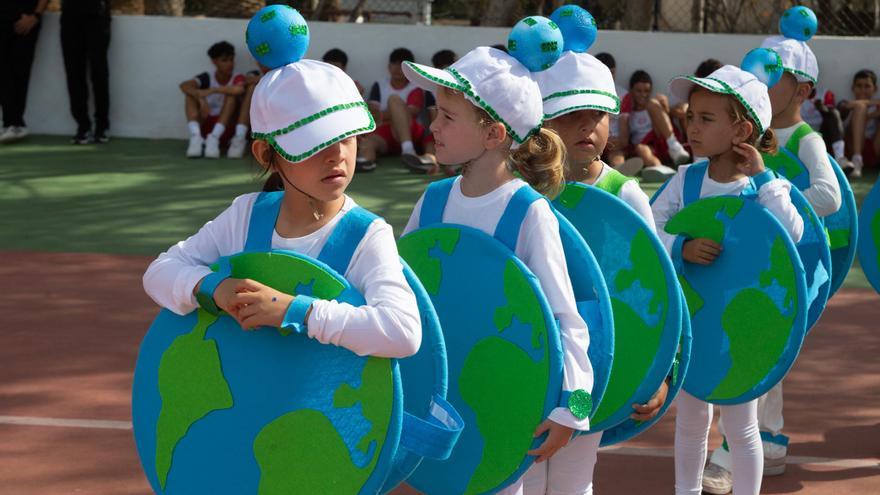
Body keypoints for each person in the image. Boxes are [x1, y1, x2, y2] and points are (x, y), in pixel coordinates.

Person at [402, 45, 594, 495]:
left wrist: (573, 409)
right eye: (436, 113)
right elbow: (401, 288)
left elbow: (568, 321)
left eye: (448, 116)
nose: (433, 125)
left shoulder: (527, 213)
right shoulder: (432, 202)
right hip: (440, 395)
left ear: (492, 134)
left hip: (503, 401)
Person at [144, 58, 422, 360]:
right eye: (315, 142)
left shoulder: (366, 234)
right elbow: (160, 272)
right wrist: (214, 287)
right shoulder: (245, 215)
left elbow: (402, 331)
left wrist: (293, 310)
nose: (337, 154)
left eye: (347, 136)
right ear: (266, 154)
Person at [653, 65, 804, 495]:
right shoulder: (687, 179)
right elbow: (652, 227)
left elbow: (790, 235)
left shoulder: (763, 186)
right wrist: (681, 247)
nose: (693, 127)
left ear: (741, 128)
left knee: (740, 424)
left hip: (744, 326)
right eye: (691, 117)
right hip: (697, 320)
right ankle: (686, 490)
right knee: (692, 418)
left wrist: (763, 177)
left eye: (706, 118)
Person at [357, 48, 431, 173]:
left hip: (410, 132)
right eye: (394, 64)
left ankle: (408, 151)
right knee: (368, 142)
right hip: (385, 133)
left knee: (394, 100)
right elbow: (374, 116)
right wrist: (397, 113)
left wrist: (389, 112)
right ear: (389, 66)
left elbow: (412, 113)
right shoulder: (379, 85)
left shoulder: (416, 87)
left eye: (401, 65)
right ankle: (366, 161)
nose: (397, 68)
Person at [180, 41, 246, 159]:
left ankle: (215, 137)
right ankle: (195, 137)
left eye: (231, 59)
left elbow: (239, 89)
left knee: (231, 95)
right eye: (224, 60)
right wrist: (199, 97)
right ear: (214, 61)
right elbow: (184, 86)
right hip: (206, 127)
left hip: (226, 129)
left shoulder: (237, 77)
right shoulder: (207, 77)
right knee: (189, 95)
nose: (230, 64)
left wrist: (213, 90)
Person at [622, 70, 691, 182]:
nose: (643, 95)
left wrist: (665, 109)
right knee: (640, 148)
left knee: (652, 103)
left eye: (647, 91)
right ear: (631, 91)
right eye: (639, 91)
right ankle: (661, 169)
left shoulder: (654, 105)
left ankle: (674, 146)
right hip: (647, 147)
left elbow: (668, 120)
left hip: (662, 140)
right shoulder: (628, 112)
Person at [60, 0, 112, 144]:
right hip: (70, 16)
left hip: (97, 16)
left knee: (99, 72)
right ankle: (83, 126)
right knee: (74, 72)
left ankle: (102, 126)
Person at [0, 0, 47, 144]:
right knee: (2, 72)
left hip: (26, 19)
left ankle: (15, 124)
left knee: (20, 71)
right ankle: (12, 123)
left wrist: (35, 16)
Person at [595, 51, 643, 175]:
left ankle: (618, 172)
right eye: (605, 72)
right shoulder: (587, 93)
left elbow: (624, 133)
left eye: (612, 72)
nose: (609, 76)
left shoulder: (623, 95)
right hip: (593, 141)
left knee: (617, 155)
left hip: (614, 144)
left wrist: (621, 142)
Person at [838, 69, 880, 178]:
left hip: (873, 149)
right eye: (859, 86)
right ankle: (857, 160)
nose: (863, 90)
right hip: (851, 150)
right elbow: (844, 106)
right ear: (853, 88)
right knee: (860, 107)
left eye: (867, 86)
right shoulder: (847, 104)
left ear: (875, 89)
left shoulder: (876, 107)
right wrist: (868, 114)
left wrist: (870, 115)